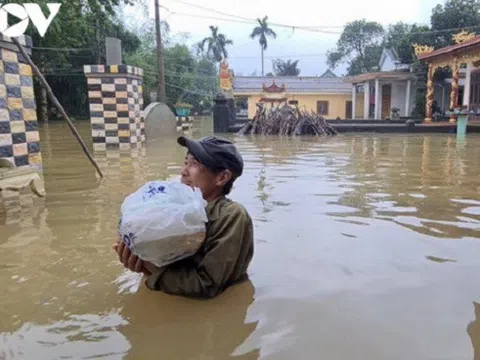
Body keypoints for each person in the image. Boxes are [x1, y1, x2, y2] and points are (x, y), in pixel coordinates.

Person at [113, 135, 254, 299]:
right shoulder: (173, 208)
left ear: (222, 177)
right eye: (186, 162)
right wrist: (138, 255)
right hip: (165, 300)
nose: (184, 171)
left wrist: (150, 268)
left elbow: (207, 285)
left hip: (203, 314)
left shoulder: (232, 215)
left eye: (194, 164)